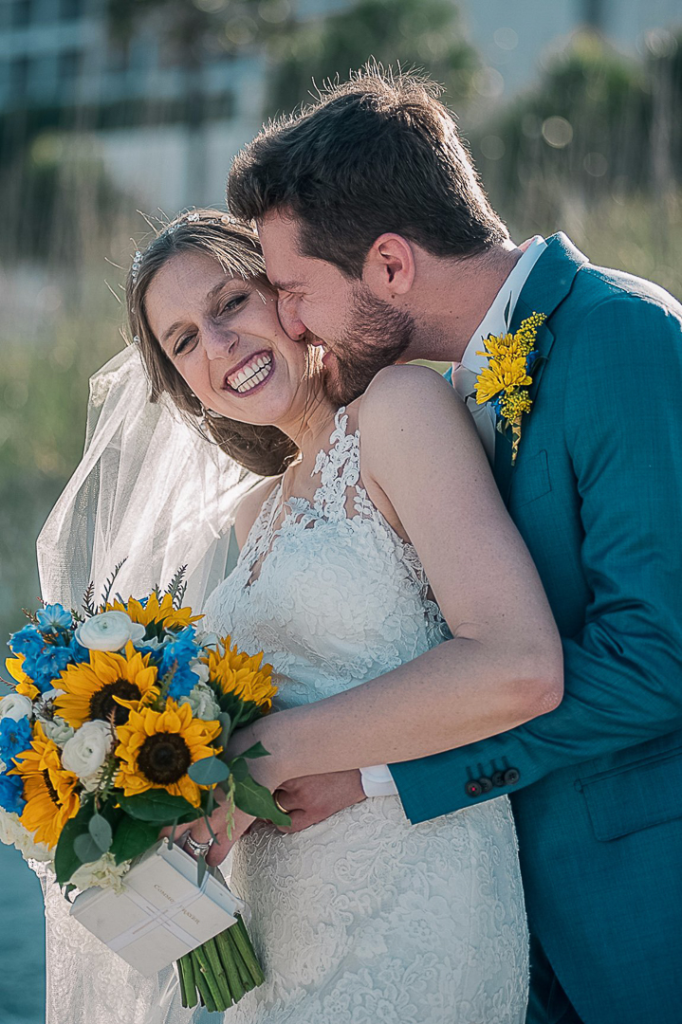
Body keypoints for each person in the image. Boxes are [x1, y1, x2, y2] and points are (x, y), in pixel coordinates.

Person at [203, 65, 682, 1024]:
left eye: (295, 291)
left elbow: (659, 656)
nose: (288, 322)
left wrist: (385, 774)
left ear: (389, 264)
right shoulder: (450, 386)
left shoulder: (620, 337)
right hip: (498, 911)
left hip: (642, 897)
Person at [128, 208, 563, 1023]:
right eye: (184, 340)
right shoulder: (250, 519)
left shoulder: (398, 412)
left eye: (231, 303)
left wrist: (264, 752)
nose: (219, 346)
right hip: (281, 935)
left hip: (415, 899)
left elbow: (516, 663)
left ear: (289, 297)